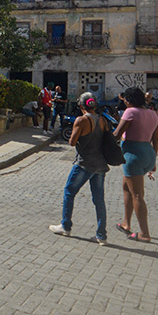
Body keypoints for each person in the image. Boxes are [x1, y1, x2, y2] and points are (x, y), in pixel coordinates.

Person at [50, 92, 110, 244]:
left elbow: (71, 142)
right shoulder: (102, 120)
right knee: (99, 199)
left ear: (81, 106)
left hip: (84, 164)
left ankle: (66, 226)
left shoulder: (81, 120)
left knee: (69, 192)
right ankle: (101, 235)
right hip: (101, 164)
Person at [114, 87, 158, 242]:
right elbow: (156, 139)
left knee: (137, 194)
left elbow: (117, 134)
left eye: (125, 100)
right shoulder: (153, 114)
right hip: (148, 154)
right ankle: (126, 223)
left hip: (132, 156)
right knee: (127, 188)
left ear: (129, 100)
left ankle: (144, 233)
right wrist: (154, 160)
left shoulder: (130, 112)